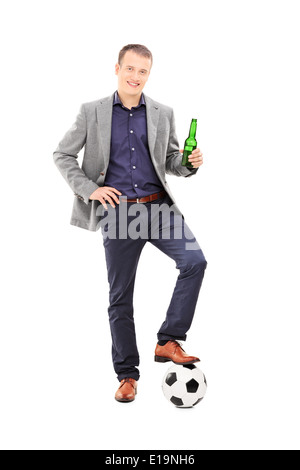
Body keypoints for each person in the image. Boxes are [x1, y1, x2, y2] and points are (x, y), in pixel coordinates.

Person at [53, 44, 207, 403]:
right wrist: (90, 190)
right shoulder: (92, 112)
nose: (136, 77)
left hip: (158, 208)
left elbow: (170, 160)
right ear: (118, 68)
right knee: (120, 297)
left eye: (143, 72)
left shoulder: (162, 112)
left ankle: (168, 340)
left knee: (195, 262)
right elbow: (62, 154)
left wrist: (189, 162)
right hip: (120, 214)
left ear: (148, 75)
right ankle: (126, 375)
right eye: (131, 69)